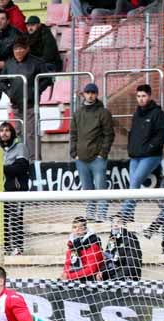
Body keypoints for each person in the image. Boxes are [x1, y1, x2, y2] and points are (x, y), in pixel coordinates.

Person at [121, 84, 164, 218]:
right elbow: (133, 134)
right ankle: (129, 214)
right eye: (138, 96)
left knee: (135, 181)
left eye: (143, 96)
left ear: (149, 96)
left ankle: (124, 214)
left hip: (151, 156)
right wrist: (131, 148)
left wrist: (150, 147)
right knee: (133, 185)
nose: (141, 99)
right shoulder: (136, 114)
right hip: (135, 156)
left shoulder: (158, 113)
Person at [70, 82, 115, 222]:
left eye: (93, 92)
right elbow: (73, 134)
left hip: (97, 158)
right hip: (81, 158)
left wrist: (102, 154)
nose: (90, 95)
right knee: (87, 189)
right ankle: (90, 215)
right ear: (84, 94)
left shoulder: (103, 113)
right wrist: (74, 153)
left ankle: (101, 215)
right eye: (88, 92)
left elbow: (109, 135)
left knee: (101, 187)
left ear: (96, 94)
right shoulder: (78, 113)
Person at [0, 36, 49, 149]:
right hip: (16, 105)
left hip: (31, 105)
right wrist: (10, 92)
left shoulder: (37, 62)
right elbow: (1, 81)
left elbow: (46, 79)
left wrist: (35, 91)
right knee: (18, 134)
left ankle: (33, 162)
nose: (18, 51)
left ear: (27, 49)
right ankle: (21, 159)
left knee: (31, 134)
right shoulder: (9, 63)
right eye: (16, 49)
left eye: (21, 48)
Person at [0, 121, 30, 255]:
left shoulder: (20, 147)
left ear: (12, 132)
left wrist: (3, 168)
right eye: (1, 130)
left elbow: (20, 168)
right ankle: (6, 248)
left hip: (17, 190)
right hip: (1, 190)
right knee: (2, 219)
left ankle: (18, 247)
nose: (4, 133)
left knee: (16, 218)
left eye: (7, 130)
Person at [62, 217, 104, 281]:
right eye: (74, 227)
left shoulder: (92, 244)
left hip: (92, 277)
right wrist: (65, 274)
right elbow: (67, 264)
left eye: (80, 227)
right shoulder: (72, 244)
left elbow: (92, 270)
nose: (77, 230)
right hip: (76, 276)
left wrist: (70, 276)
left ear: (85, 229)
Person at [101, 214, 143, 280]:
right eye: (113, 222)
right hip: (114, 273)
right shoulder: (112, 239)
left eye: (118, 222)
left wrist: (114, 278)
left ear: (124, 224)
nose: (115, 224)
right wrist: (101, 272)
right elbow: (108, 259)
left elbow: (132, 265)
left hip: (127, 277)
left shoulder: (130, 239)